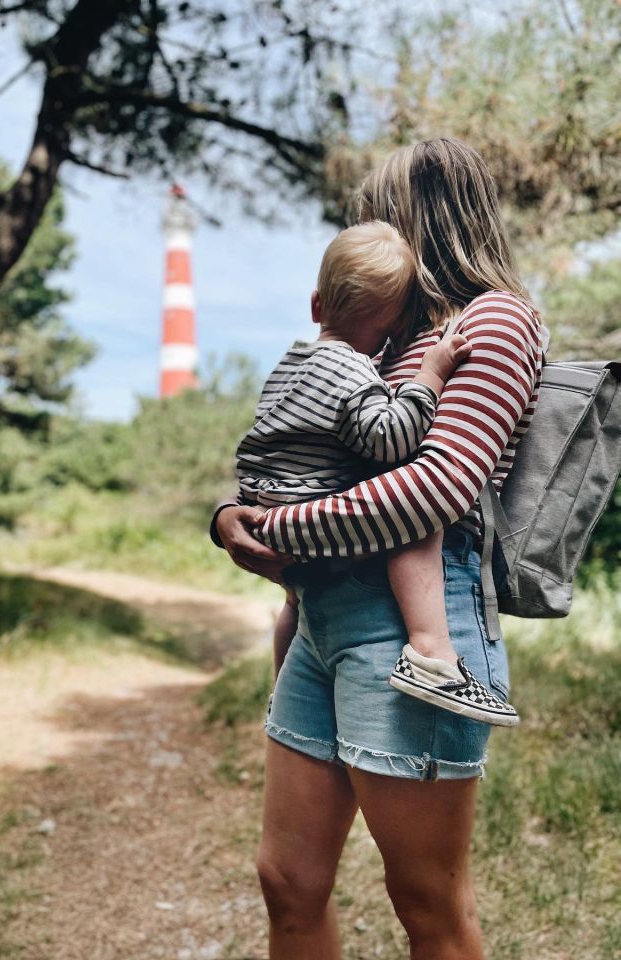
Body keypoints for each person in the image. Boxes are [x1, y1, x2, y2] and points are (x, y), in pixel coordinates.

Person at [213, 137, 545, 960]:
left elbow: (433, 490)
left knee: (426, 902)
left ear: (419, 219)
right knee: (287, 879)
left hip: (410, 636)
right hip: (325, 620)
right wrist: (230, 512)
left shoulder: (493, 322)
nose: (365, 234)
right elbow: (289, 448)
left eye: (377, 216)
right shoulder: (379, 340)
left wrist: (275, 532)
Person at [235, 221, 517, 724]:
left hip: (262, 499)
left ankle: (281, 692)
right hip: (309, 507)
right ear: (390, 330)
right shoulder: (353, 371)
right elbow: (390, 438)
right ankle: (430, 654)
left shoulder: (288, 362)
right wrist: (430, 373)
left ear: (316, 305)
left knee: (294, 607)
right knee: (418, 517)